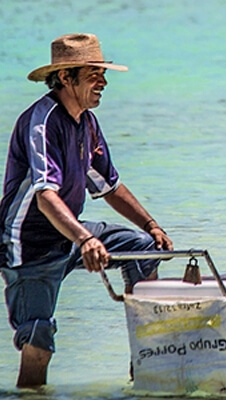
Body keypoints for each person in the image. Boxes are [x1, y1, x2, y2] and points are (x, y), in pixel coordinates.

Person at [0, 33, 173, 388]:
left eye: (103, 73)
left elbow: (109, 185)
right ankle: (29, 395)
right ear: (66, 77)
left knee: (140, 247)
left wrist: (151, 225)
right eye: (94, 73)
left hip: (70, 233)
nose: (104, 82)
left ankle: (147, 364)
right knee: (39, 339)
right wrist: (86, 240)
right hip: (28, 242)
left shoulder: (87, 123)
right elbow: (45, 196)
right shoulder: (42, 122)